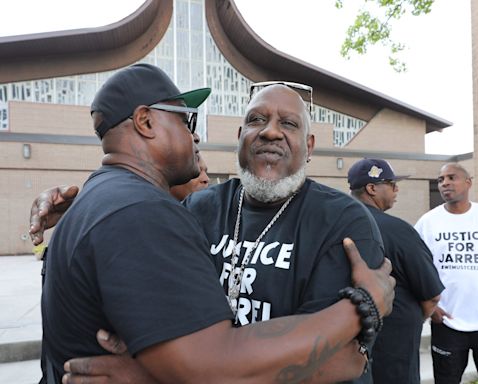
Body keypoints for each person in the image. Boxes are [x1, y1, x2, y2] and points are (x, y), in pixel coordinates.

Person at [36, 63, 395, 384]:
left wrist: (165, 377)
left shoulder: (344, 221)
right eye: (256, 120)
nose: (270, 131)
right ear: (239, 135)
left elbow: (343, 359)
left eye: (288, 123)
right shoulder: (193, 207)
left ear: (310, 145)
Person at [348, 158, 444, 384]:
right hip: (392, 352)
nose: (396, 189)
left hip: (341, 347)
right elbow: (432, 295)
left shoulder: (331, 225)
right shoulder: (399, 230)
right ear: (372, 188)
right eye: (391, 183)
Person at [415, 162, 478, 384]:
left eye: (452, 177)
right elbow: (416, 268)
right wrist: (431, 307)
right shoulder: (427, 222)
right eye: (440, 180)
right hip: (447, 322)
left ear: (468, 183)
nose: (445, 183)